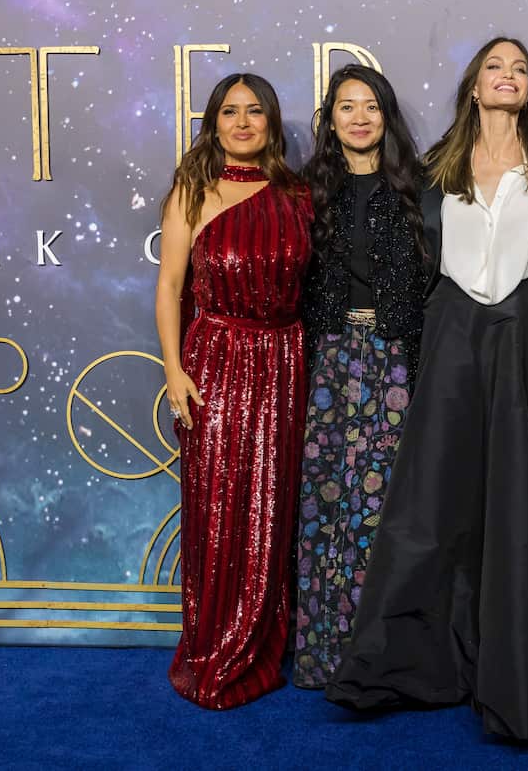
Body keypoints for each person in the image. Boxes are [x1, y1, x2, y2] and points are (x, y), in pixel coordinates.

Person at [325, 37, 528, 741]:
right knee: (440, 490)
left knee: (523, 486)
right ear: (474, 85)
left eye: (519, 69)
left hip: (527, 333)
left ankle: (520, 665)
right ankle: (426, 657)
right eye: (495, 67)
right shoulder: (434, 165)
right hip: (453, 332)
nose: (507, 76)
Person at [154, 73, 312, 709]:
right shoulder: (192, 190)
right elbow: (170, 287)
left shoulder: (298, 194)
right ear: (213, 123)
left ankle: (264, 641)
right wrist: (174, 371)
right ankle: (214, 646)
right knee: (218, 508)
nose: (242, 123)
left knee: (274, 508)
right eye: (229, 111)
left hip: (285, 360)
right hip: (216, 361)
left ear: (270, 121)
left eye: (254, 111)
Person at [292, 65, 429, 688]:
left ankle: (381, 654)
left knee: (382, 507)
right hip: (328, 358)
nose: (359, 117)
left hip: (396, 359)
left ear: (386, 115)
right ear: (331, 120)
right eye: (346, 106)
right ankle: (322, 653)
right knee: (325, 504)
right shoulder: (307, 193)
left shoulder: (419, 189)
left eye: (370, 105)